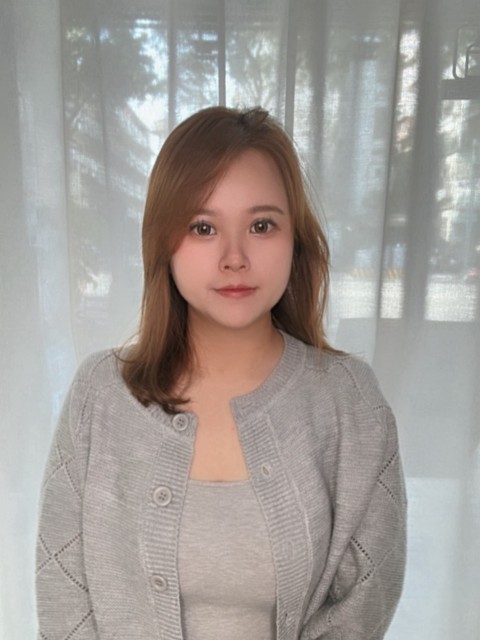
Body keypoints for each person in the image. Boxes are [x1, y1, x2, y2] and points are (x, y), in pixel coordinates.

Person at [36, 106, 407, 640]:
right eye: (203, 227)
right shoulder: (100, 396)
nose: (235, 257)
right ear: (164, 240)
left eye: (261, 225)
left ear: (295, 239)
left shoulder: (349, 402)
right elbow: (63, 599)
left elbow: (363, 603)